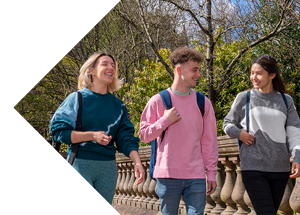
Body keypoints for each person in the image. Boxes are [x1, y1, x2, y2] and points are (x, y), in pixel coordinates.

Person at [50, 51, 145, 204]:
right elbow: (58, 131)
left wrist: (137, 162)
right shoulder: (77, 98)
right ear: (91, 70)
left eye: (113, 65)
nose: (111, 68)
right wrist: (92, 136)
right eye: (105, 64)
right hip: (80, 163)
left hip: (108, 169)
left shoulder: (118, 106)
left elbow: (126, 138)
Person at [139, 46, 218, 215]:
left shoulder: (203, 103)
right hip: (167, 175)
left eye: (199, 70)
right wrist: (165, 121)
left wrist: (211, 173)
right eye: (194, 70)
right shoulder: (158, 101)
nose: (198, 74)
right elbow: (144, 135)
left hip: (196, 175)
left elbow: (209, 141)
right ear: (179, 70)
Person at [223, 54, 300, 215]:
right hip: (253, 166)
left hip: (280, 168)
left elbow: (294, 133)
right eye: (252, 72)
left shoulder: (286, 101)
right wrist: (240, 134)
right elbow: (227, 124)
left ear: (272, 75)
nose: (253, 77)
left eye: (259, 73)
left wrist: (297, 158)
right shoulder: (245, 98)